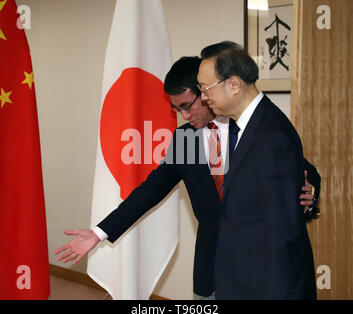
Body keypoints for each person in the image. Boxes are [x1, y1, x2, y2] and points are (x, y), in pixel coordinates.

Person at [54, 56, 320, 299]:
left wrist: (311, 189)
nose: (184, 116)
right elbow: (150, 190)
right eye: (176, 109)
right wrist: (99, 233)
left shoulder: (246, 128)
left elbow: (300, 165)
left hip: (257, 268)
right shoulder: (186, 140)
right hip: (211, 267)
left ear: (205, 93)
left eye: (186, 106)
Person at [196, 41, 317, 299]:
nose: (203, 97)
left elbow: (282, 233)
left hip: (264, 287)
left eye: (205, 89)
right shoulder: (244, 127)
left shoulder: (272, 135)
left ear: (234, 85)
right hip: (239, 279)